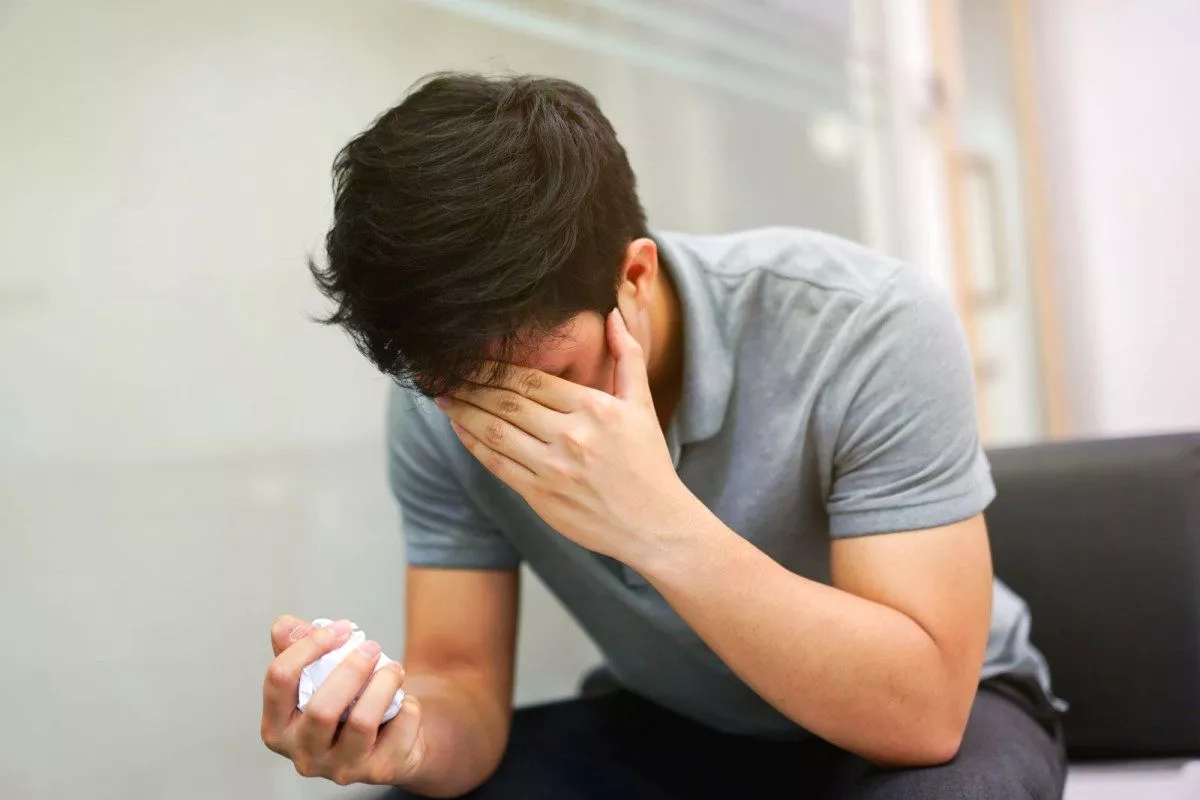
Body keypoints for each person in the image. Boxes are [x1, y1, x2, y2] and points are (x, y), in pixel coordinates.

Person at [259, 72, 1066, 799]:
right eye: (460, 388)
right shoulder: (439, 399)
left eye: (546, 379)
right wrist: (406, 738)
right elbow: (460, 681)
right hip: (680, 718)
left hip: (933, 710)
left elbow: (922, 713)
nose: (505, 416)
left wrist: (654, 524)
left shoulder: (868, 327)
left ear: (634, 278)